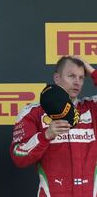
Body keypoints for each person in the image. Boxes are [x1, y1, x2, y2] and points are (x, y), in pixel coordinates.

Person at [10, 56, 97, 196]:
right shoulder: (32, 112)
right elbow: (19, 156)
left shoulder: (92, 108)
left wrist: (92, 71)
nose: (77, 82)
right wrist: (45, 136)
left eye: (81, 77)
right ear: (57, 78)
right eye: (71, 76)